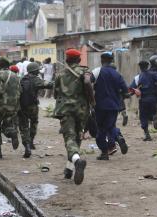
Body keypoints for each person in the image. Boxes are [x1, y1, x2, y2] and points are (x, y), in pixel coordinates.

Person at [53, 49, 94, 185]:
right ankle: (69, 170)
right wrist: (92, 100)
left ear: (67, 60)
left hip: (66, 110)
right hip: (82, 110)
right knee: (77, 137)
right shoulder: (85, 71)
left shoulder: (60, 75)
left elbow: (55, 94)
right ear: (79, 60)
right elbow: (88, 82)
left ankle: (77, 161)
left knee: (69, 139)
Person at [93, 51, 128, 161]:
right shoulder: (117, 74)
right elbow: (125, 91)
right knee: (111, 126)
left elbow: (87, 82)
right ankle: (118, 136)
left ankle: (104, 153)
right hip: (114, 106)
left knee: (100, 129)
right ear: (111, 61)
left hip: (100, 106)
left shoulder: (97, 71)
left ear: (102, 60)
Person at [18, 62, 53, 158]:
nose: (39, 71)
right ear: (35, 70)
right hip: (33, 106)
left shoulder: (22, 79)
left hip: (22, 107)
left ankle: (27, 146)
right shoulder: (36, 80)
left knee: (24, 127)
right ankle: (31, 141)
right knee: (33, 123)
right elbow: (49, 85)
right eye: (37, 69)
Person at [130, 61, 157, 141]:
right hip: (153, 98)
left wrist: (134, 92)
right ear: (148, 66)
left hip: (143, 99)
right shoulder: (154, 74)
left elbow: (131, 89)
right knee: (152, 111)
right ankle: (154, 116)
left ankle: (147, 134)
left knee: (143, 117)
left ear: (140, 67)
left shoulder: (138, 77)